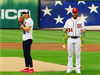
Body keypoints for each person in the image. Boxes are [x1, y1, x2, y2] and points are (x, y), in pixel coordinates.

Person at [63, 8, 86, 73]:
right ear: (72, 13)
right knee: (70, 54)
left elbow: (83, 29)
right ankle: (69, 68)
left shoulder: (81, 21)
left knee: (78, 54)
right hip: (70, 38)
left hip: (78, 38)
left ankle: (77, 68)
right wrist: (64, 30)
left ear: (77, 13)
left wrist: (84, 30)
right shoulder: (68, 21)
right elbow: (65, 28)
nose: (74, 14)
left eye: (75, 12)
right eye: (73, 12)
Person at [18, 9, 34, 73]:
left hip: (28, 39)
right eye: (23, 13)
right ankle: (26, 67)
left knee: (28, 54)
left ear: (28, 14)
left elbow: (27, 30)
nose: (24, 14)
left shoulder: (30, 20)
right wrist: (20, 24)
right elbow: (22, 30)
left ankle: (32, 68)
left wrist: (21, 25)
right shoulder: (25, 20)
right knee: (25, 54)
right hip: (24, 38)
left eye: (25, 13)